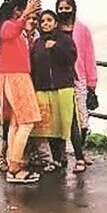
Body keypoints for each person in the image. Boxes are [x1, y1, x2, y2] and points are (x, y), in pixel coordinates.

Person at [0, 0, 42, 184]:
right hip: (16, 77)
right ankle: (15, 167)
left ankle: (13, 163)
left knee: (17, 124)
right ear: (17, 10)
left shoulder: (12, 26)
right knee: (27, 122)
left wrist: (28, 15)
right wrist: (27, 14)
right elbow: (10, 32)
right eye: (23, 10)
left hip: (13, 76)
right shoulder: (7, 25)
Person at [29, 10, 78, 173]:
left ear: (55, 23)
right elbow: (33, 66)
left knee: (64, 123)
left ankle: (64, 156)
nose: (46, 24)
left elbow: (71, 59)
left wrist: (55, 47)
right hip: (43, 89)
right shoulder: (37, 43)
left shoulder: (64, 40)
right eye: (43, 21)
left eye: (49, 20)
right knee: (50, 127)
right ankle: (55, 159)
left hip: (63, 87)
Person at [56, 0, 97, 173]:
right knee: (64, 118)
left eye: (67, 7)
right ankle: (66, 154)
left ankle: (81, 151)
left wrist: (92, 81)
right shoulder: (53, 29)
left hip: (79, 78)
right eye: (61, 8)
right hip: (59, 79)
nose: (64, 11)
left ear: (74, 8)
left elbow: (89, 55)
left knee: (83, 118)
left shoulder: (82, 30)